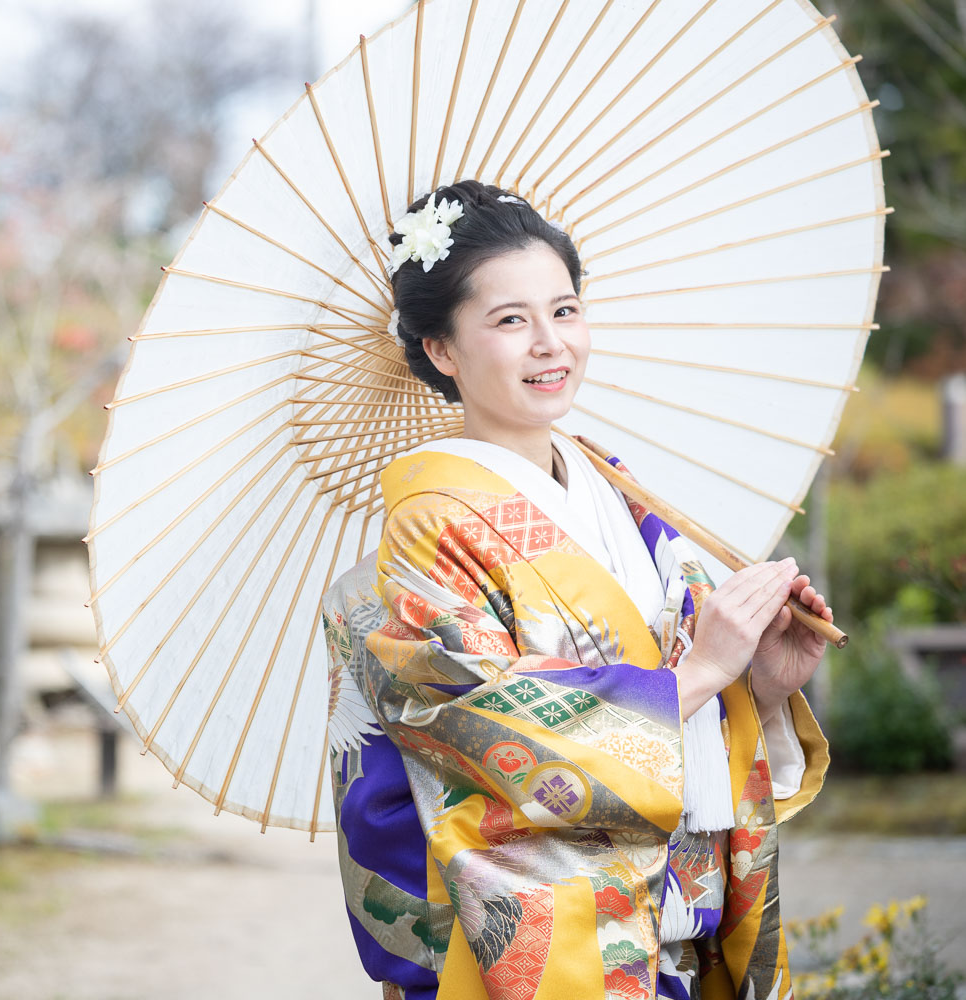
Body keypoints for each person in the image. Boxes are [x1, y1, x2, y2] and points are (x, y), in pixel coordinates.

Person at [323, 180, 832, 1000]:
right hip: (564, 955)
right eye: (510, 320)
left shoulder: (616, 490)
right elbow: (492, 731)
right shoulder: (428, 531)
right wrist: (701, 673)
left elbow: (694, 695)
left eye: (564, 310)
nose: (550, 344)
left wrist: (755, 686)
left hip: (678, 945)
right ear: (442, 349)